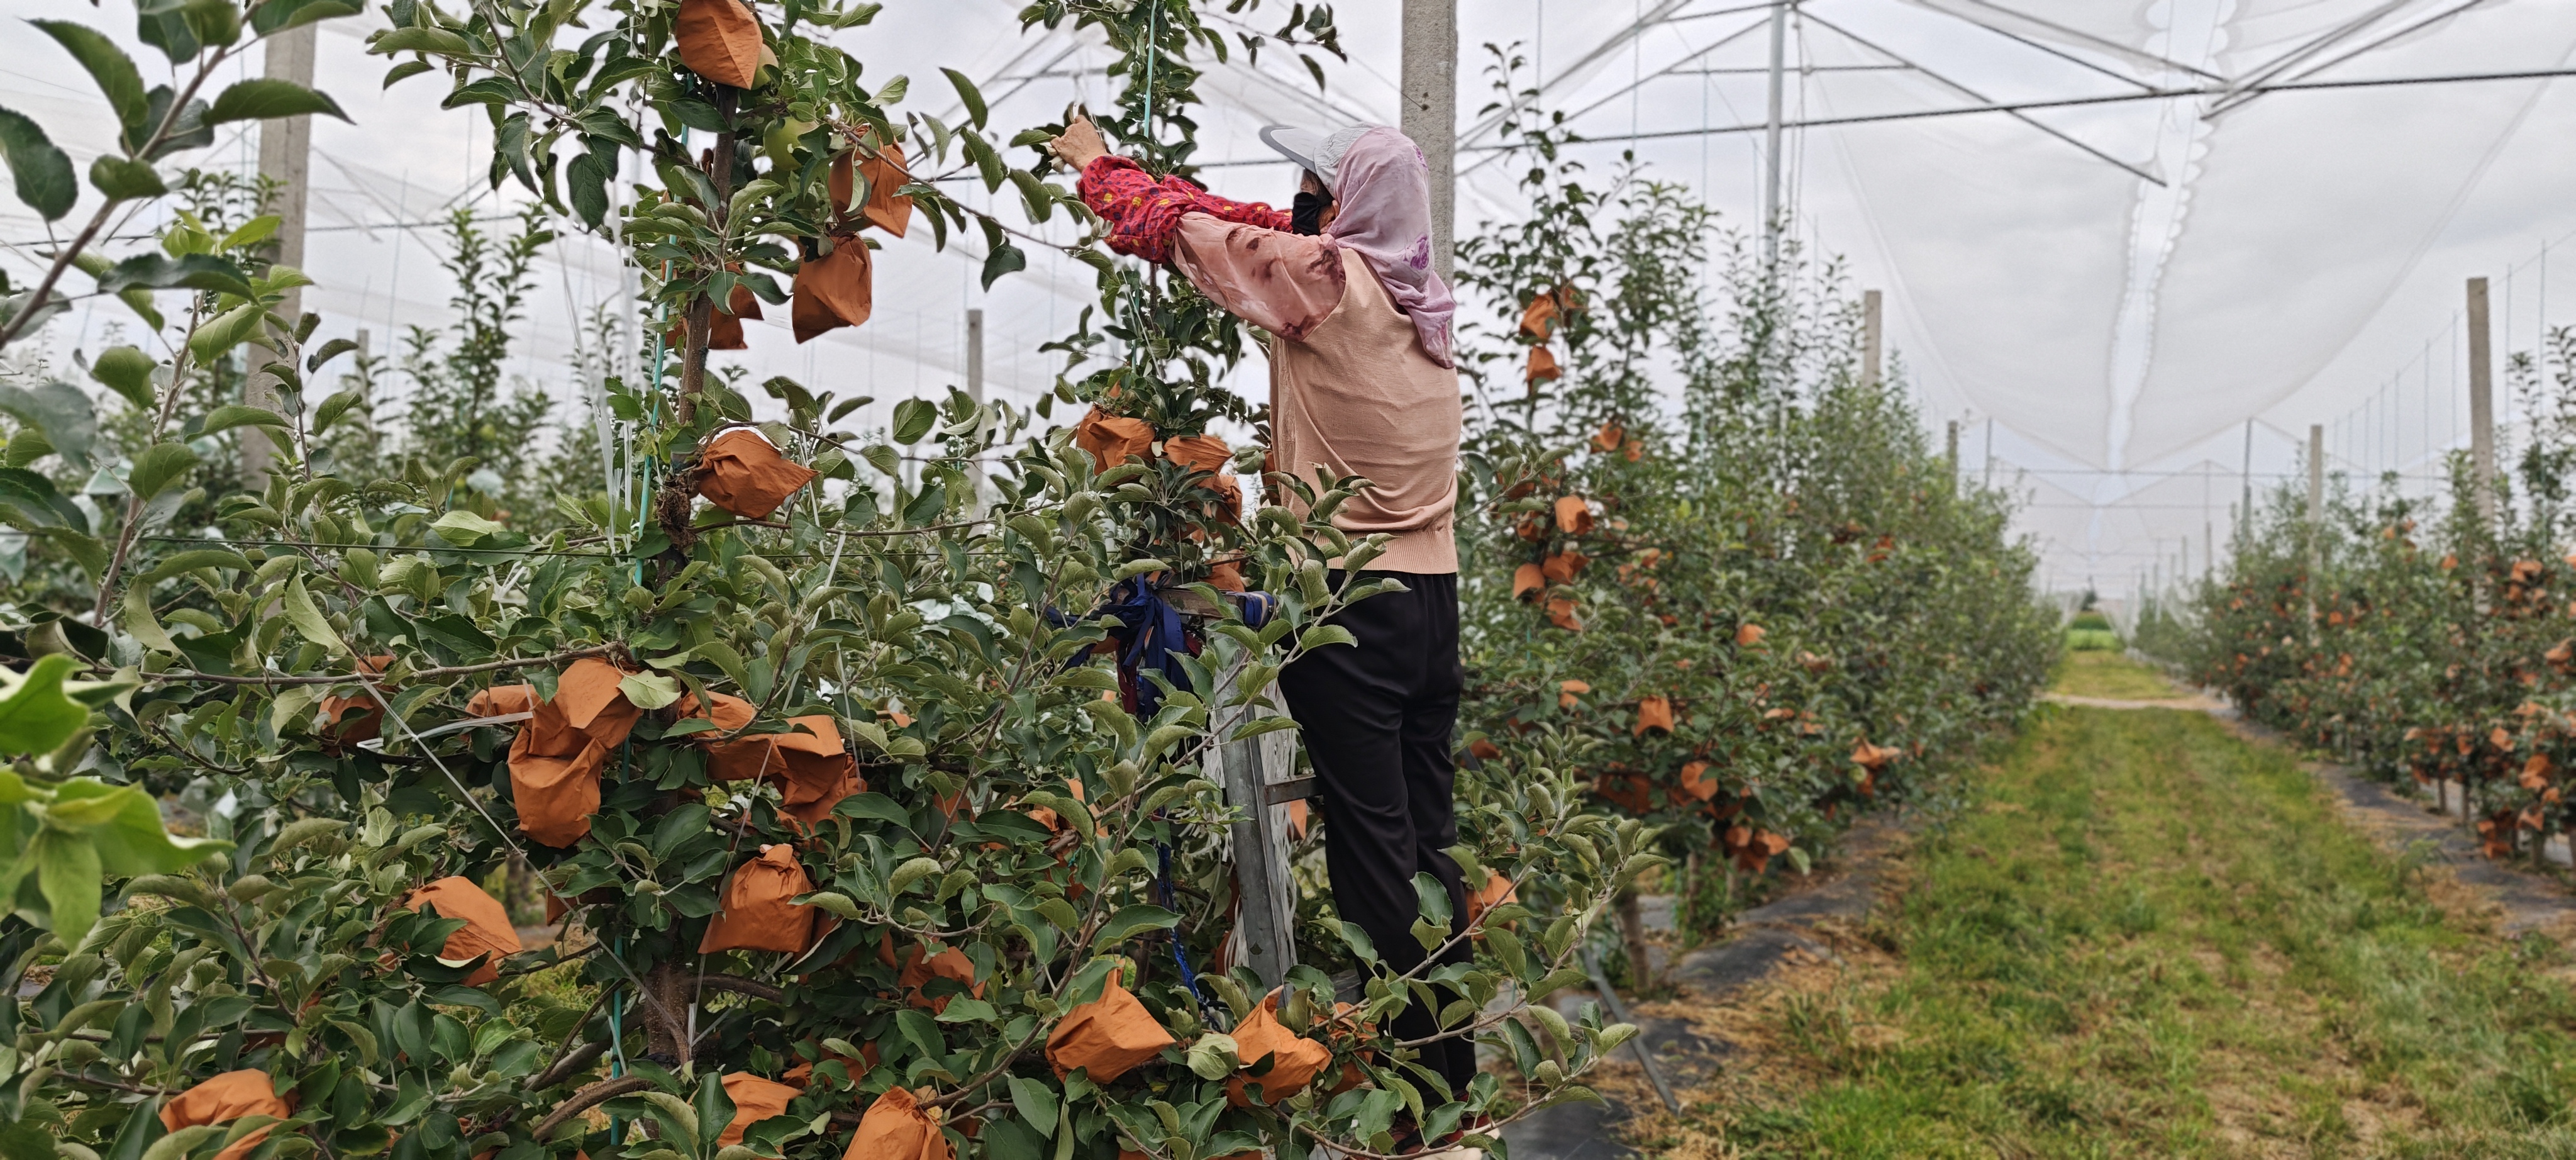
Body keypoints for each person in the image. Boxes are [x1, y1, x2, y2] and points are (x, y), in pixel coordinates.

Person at [1047, 116, 1475, 1101]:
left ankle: (1416, 1104)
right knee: (1428, 846)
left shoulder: (1324, 285)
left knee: (1373, 856)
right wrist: (1166, 182)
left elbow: (1184, 232)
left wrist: (1098, 167)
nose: (1299, 204)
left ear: (1342, 204)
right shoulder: (1419, 300)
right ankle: (1456, 1076)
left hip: (1350, 606)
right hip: (1433, 605)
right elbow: (1245, 222)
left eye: (1315, 189)